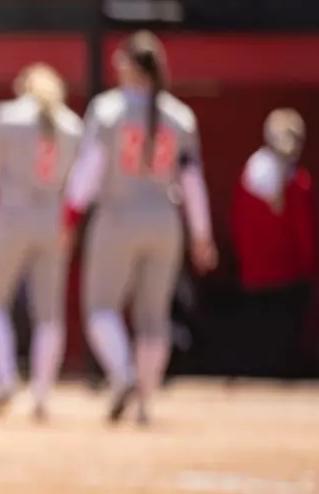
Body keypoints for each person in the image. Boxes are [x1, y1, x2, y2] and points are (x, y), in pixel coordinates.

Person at [64, 31, 217, 425]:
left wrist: (71, 212)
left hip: (118, 216)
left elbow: (89, 172)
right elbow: (192, 181)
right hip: (165, 220)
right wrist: (202, 235)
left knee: (100, 306)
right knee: (154, 316)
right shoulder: (180, 116)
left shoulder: (108, 110)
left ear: (131, 67)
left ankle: (124, 375)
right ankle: (145, 403)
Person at [0, 64, 83, 420]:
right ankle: (42, 393)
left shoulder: (5, 116)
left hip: (11, 215)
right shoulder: (72, 125)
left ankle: (5, 378)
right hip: (53, 220)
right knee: (49, 312)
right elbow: (78, 183)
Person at [229, 109, 312, 378]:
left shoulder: (248, 177)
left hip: (253, 276)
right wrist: (311, 270)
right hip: (288, 279)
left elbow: (237, 226)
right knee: (281, 349)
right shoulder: (298, 184)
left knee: (258, 343)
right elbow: (305, 236)